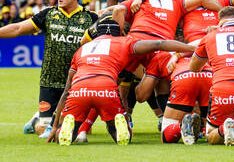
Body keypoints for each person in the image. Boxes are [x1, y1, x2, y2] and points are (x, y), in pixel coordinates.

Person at [47, 15, 195, 146]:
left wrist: (54, 126)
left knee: (69, 133)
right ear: (119, 33)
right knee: (123, 135)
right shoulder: (124, 42)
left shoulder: (81, 50)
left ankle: (67, 129)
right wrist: (191, 48)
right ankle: (118, 126)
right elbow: (159, 44)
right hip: (106, 86)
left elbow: (66, 91)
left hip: (79, 87)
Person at [0, 0, 98, 138]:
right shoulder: (48, 14)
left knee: (82, 129)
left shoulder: (90, 18)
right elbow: (18, 28)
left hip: (76, 81)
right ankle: (38, 120)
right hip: (49, 80)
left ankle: (49, 119)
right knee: (45, 129)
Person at [189, 6, 234, 146]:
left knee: (211, 135)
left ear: (220, 21)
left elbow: (193, 68)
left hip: (223, 88)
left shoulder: (210, 36)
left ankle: (224, 129)